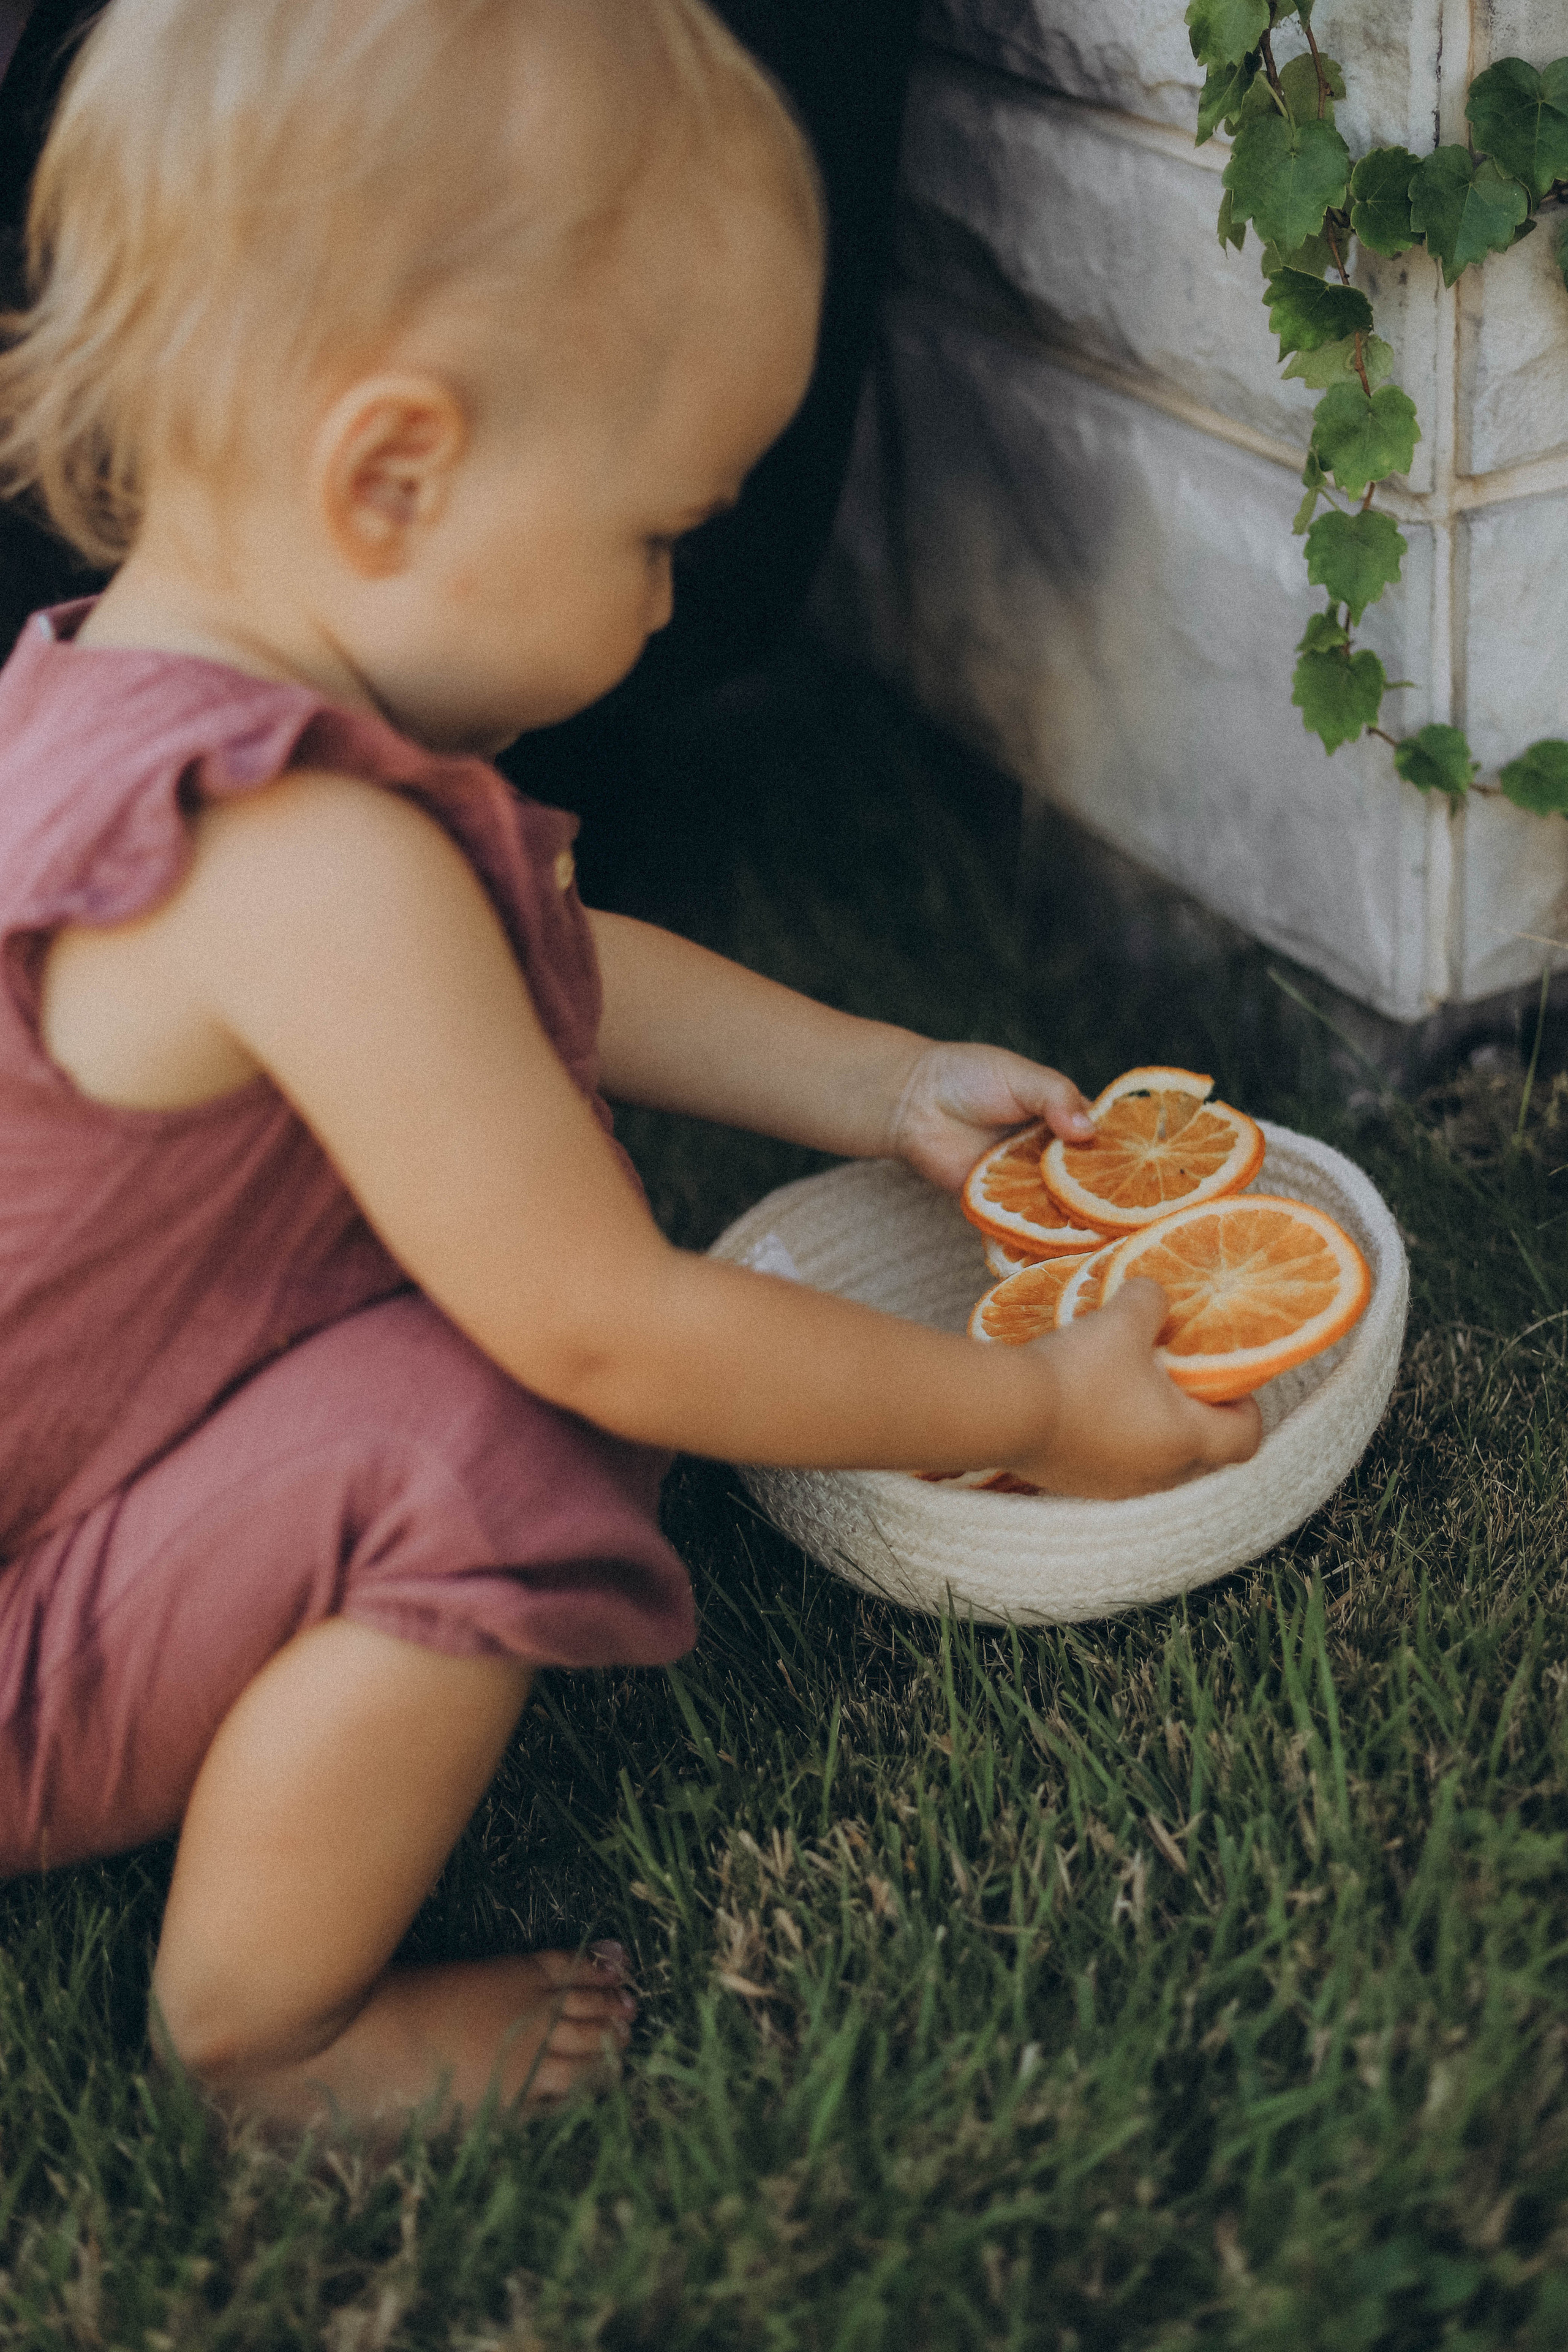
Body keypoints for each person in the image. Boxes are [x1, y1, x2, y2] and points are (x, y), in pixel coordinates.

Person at [0, 0, 1262, 2138]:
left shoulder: (119, 693)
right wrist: (1041, 1407)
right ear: (393, 476)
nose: (674, 606)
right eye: (657, 532)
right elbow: (612, 1330)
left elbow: (547, 964)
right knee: (502, 1404)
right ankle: (265, 2038)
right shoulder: (302, 864)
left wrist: (882, 1081)